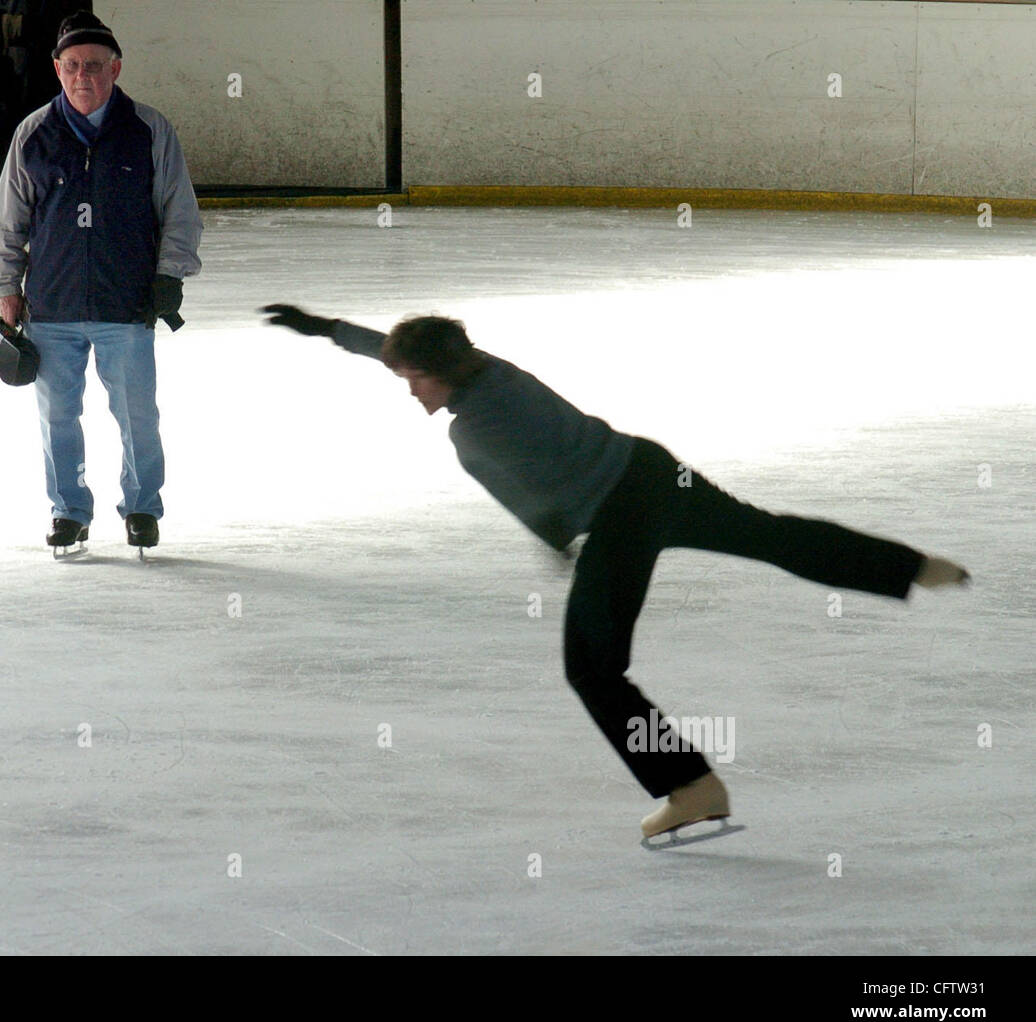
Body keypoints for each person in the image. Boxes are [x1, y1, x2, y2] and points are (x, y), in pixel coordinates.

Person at [261, 304, 970, 841]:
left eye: (409, 378)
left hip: (619, 512)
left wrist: (558, 546)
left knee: (592, 669)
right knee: (772, 536)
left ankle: (690, 789)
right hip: (653, 471)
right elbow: (412, 352)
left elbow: (538, 504)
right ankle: (916, 569)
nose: (406, 389)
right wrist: (328, 330)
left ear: (436, 372)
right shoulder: (487, 368)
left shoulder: (474, 429)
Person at [0, 11, 203, 553]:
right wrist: (7, 289)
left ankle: (141, 509)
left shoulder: (150, 130)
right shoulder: (33, 134)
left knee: (137, 416)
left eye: (96, 66)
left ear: (117, 68)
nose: (84, 76)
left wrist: (169, 275)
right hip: (51, 308)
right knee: (58, 417)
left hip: (124, 305)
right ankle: (69, 512)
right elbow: (7, 220)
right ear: (57, 69)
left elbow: (180, 212)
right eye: (74, 65)